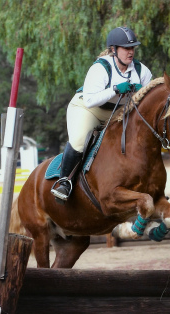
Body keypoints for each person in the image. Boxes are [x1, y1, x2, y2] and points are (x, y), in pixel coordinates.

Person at [51, 26, 153, 203]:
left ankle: (149, 183)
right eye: (126, 48)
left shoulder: (142, 71)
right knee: (79, 141)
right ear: (114, 50)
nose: (131, 52)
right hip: (88, 109)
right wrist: (115, 89)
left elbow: (148, 101)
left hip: (118, 112)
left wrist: (142, 92)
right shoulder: (100, 68)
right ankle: (64, 182)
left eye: (133, 48)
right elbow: (90, 101)